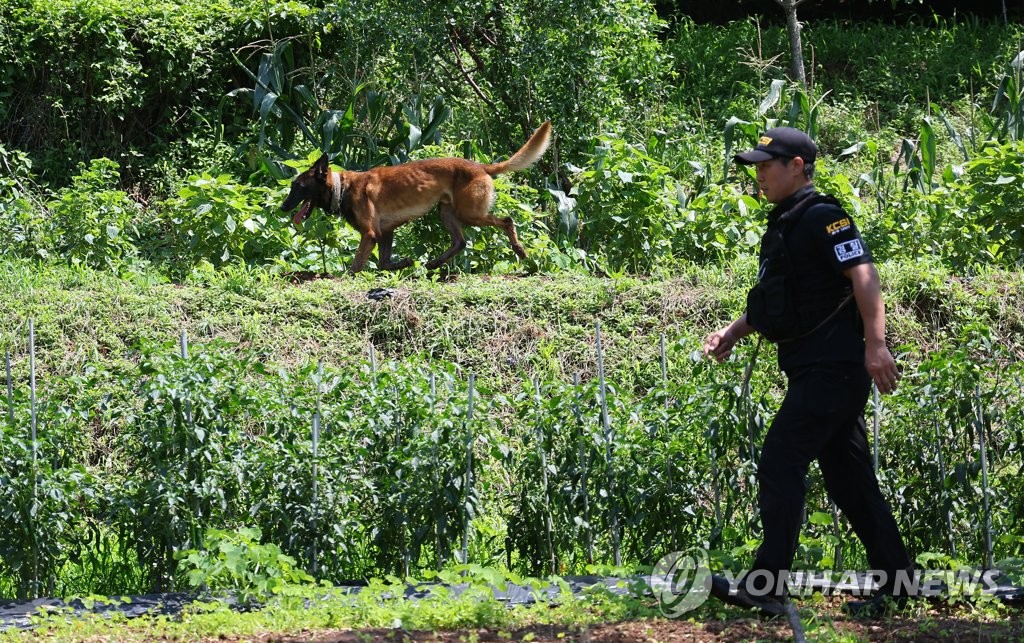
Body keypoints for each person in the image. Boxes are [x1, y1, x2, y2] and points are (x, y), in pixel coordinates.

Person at [702, 127, 913, 617]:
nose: (759, 175)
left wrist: (876, 346)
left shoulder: (825, 217)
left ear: (796, 166)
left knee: (780, 459)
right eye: (755, 166)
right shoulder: (786, 225)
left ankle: (766, 583)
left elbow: (864, 274)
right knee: (849, 481)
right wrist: (733, 332)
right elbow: (785, 300)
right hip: (813, 370)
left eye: (765, 165)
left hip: (834, 368)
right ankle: (899, 582)